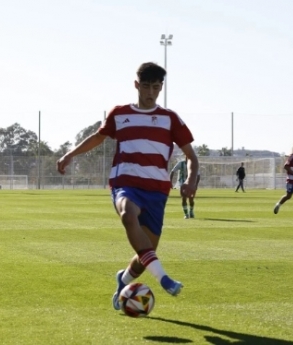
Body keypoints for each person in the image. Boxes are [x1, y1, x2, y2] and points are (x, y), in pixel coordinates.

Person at [56, 62, 198, 311]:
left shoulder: (170, 119)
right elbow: (98, 137)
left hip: (157, 191)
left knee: (145, 254)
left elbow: (192, 157)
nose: (150, 92)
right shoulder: (120, 114)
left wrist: (189, 181)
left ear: (161, 88)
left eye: (156, 87)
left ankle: (124, 279)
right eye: (146, 86)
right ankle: (164, 278)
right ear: (136, 85)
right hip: (125, 184)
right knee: (127, 213)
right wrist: (70, 154)